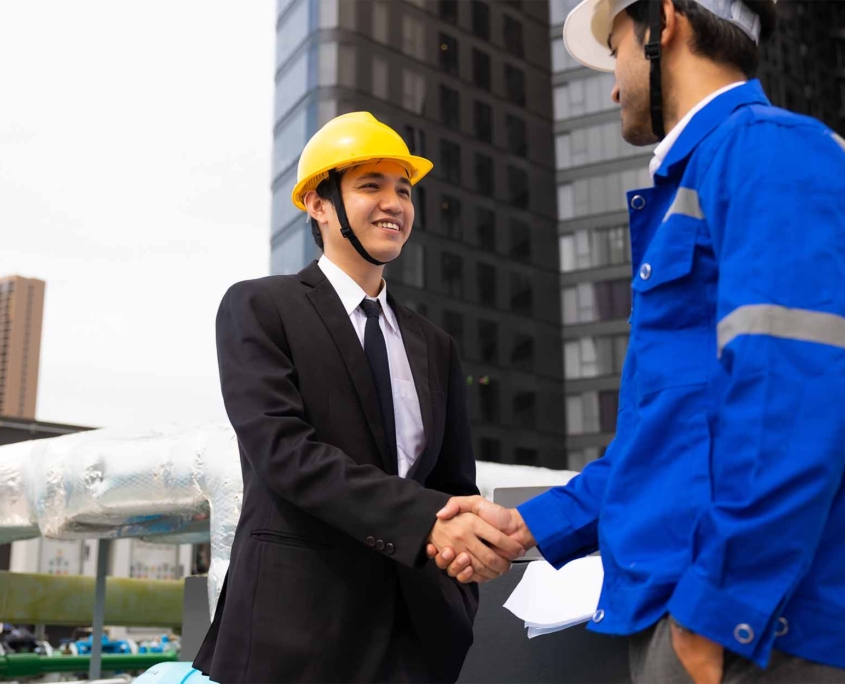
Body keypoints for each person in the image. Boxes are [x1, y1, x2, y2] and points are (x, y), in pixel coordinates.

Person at [430, 1, 845, 682]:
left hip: (761, 633)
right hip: (704, 618)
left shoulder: (769, 150)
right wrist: (529, 525)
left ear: (666, 22)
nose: (613, 82)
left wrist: (716, 612)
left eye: (617, 47)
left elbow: (794, 396)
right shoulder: (710, 172)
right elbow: (669, 441)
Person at [193, 111, 523, 683]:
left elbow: (451, 483)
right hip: (293, 636)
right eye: (370, 185)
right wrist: (428, 522)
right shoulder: (260, 308)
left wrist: (465, 558)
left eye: (404, 189)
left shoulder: (434, 345)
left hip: (413, 640)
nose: (394, 203)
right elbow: (286, 453)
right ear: (318, 205)